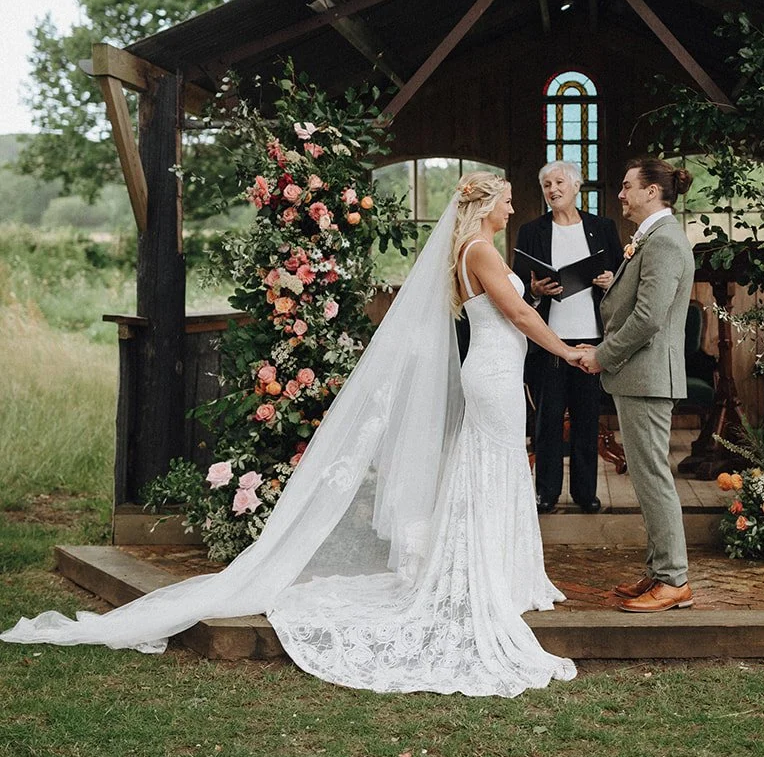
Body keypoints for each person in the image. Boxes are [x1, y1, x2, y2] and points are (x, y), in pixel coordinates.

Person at [1, 175, 581, 697]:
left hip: (497, 371)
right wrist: (570, 352)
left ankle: (508, 569)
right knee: (491, 463)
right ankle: (485, 571)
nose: (513, 208)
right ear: (484, 206)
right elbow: (521, 317)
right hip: (495, 372)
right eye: (507, 200)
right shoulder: (479, 249)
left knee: (499, 463)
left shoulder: (476, 248)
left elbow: (515, 313)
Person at [576, 158, 696, 613]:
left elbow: (648, 319)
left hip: (648, 376)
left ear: (651, 192)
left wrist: (603, 354)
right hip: (639, 374)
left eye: (628, 187)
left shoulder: (664, 242)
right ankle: (659, 570)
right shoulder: (654, 238)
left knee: (652, 478)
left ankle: (674, 580)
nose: (621, 195)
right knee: (647, 478)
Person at [515, 161, 624, 515]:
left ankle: (585, 493)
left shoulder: (602, 228)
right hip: (550, 340)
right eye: (546, 184)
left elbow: (624, 277)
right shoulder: (531, 231)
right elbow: (518, 290)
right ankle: (546, 493)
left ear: (576, 186)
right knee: (547, 420)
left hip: (592, 339)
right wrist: (534, 290)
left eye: (559, 182)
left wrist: (611, 282)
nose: (553, 189)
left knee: (586, 418)